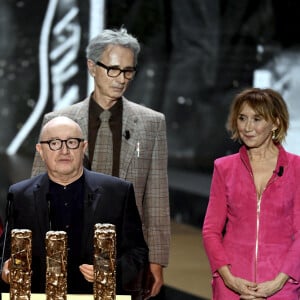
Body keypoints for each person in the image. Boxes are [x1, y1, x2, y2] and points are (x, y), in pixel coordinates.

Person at [31, 27, 170, 298]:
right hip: (68, 246)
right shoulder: (57, 121)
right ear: (92, 67)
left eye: (129, 71)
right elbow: (36, 193)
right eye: (113, 69)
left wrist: (157, 260)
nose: (121, 79)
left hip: (126, 253)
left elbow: (156, 198)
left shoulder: (152, 123)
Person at [1, 116, 148, 297]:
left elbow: (137, 253)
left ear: (83, 147)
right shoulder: (19, 194)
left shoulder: (118, 192)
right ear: (40, 150)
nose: (64, 150)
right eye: (54, 143)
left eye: (72, 142)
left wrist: (108, 271)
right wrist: (6, 272)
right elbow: (5, 253)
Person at [202, 87, 300, 299]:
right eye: (242, 118)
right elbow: (211, 231)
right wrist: (229, 279)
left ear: (275, 122)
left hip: (282, 286)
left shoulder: (297, 168)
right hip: (231, 284)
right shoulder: (224, 167)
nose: (247, 127)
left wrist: (277, 283)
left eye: (257, 119)